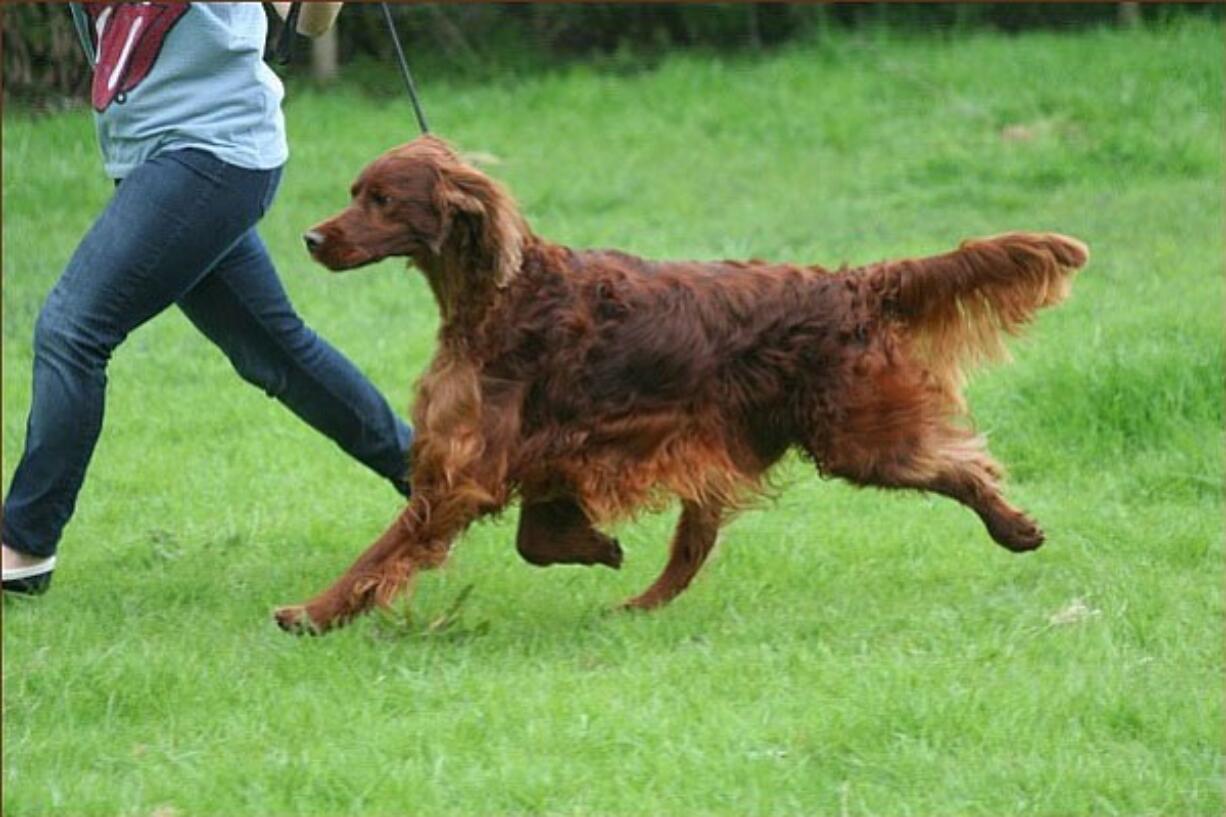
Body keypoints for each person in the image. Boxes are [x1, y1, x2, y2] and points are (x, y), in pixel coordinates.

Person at [2, 3, 412, 594]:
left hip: (212, 152)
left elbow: (310, 21)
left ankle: (24, 541)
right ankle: (431, 473)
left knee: (72, 330)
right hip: (152, 157)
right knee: (275, 352)